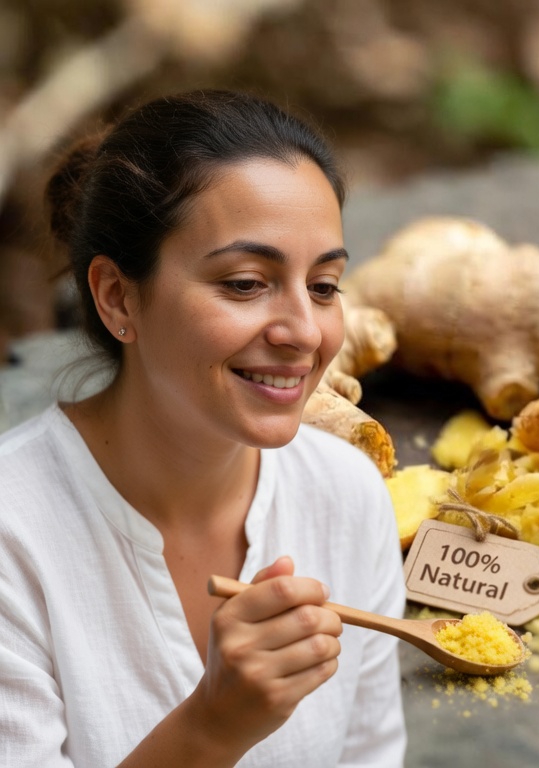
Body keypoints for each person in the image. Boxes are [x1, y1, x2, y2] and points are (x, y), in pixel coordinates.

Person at [0, 90, 407, 766]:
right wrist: (214, 727)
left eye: (325, 285)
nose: (305, 332)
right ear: (116, 296)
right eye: (247, 283)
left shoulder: (347, 495)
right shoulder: (15, 538)